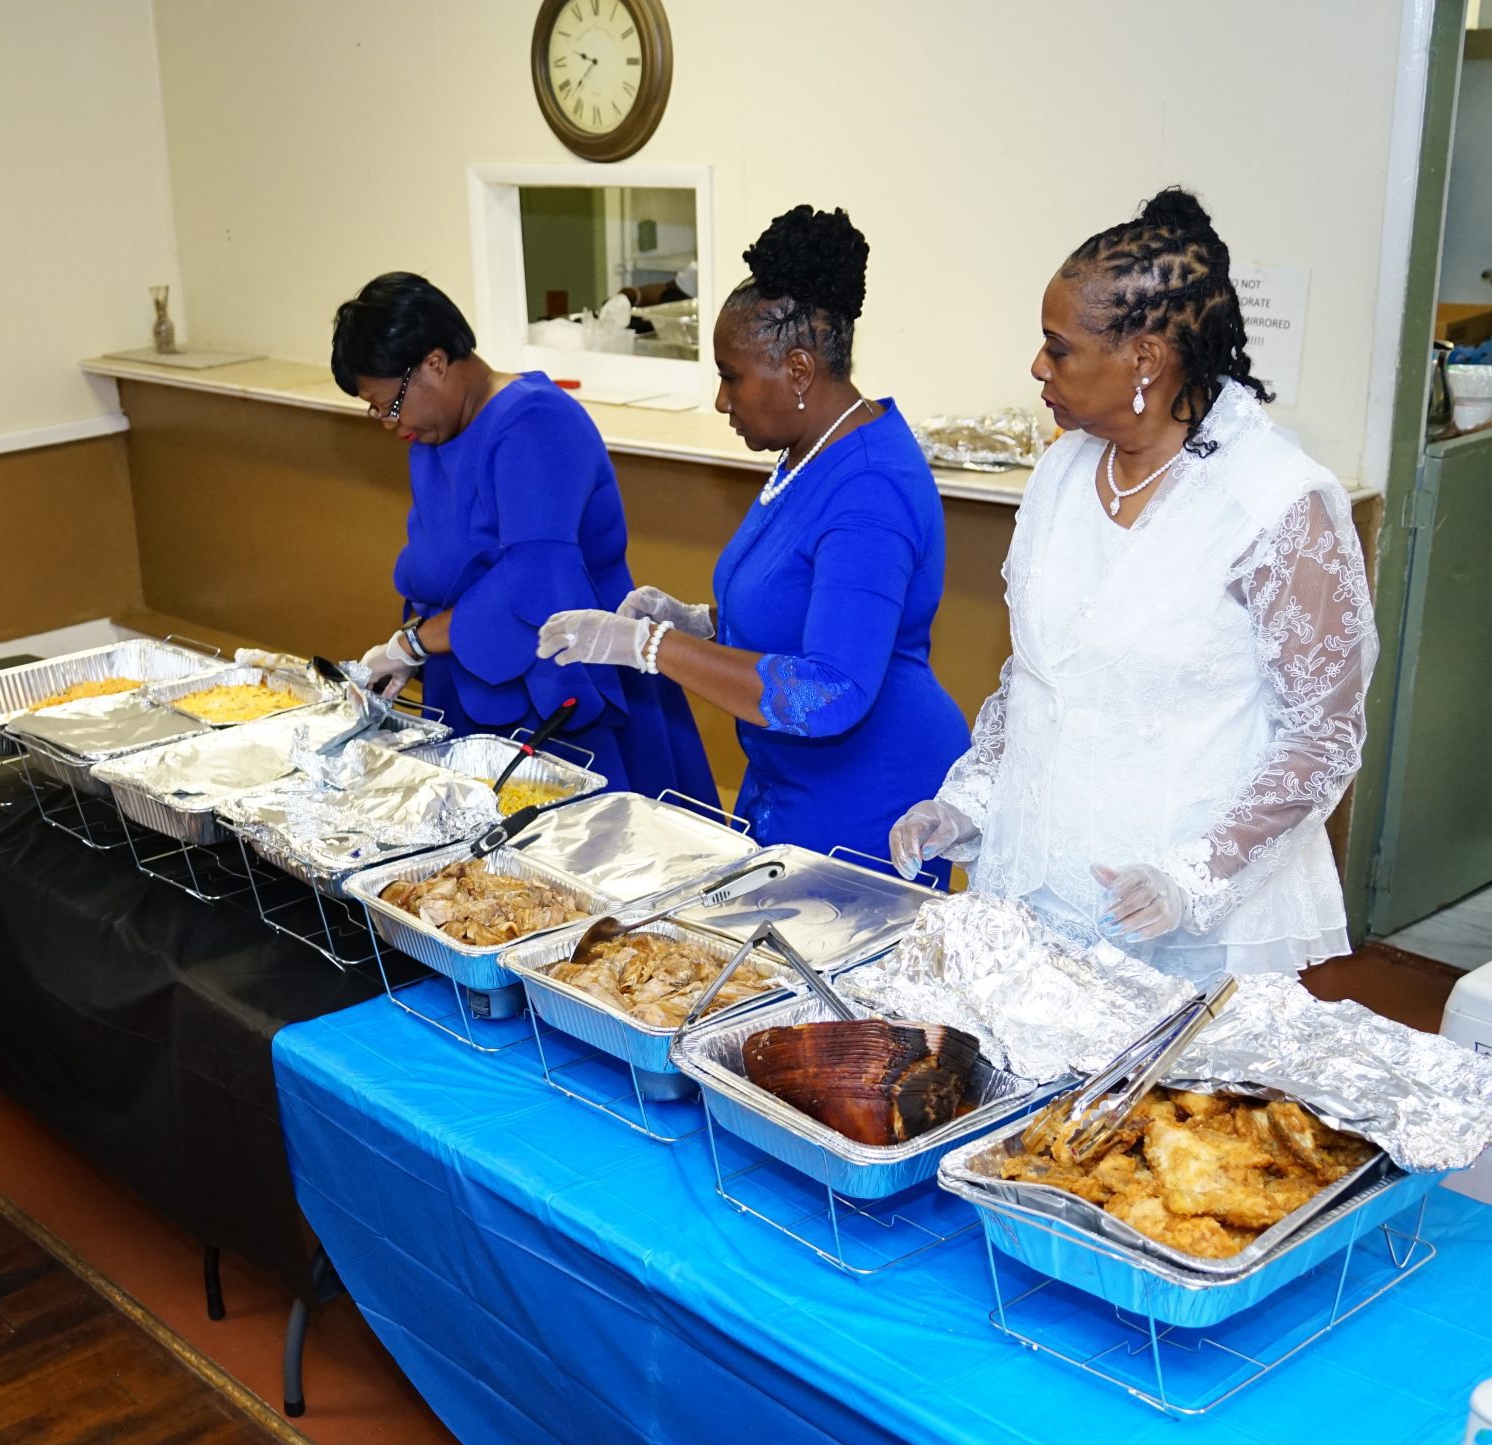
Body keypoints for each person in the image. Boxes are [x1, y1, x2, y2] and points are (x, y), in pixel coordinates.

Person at [887, 190, 1377, 977]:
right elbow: (1037, 677)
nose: (1038, 366)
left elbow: (1322, 738)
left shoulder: (1277, 503)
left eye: (1059, 349)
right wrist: (968, 802)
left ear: (1144, 359)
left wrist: (1192, 877)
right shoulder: (1060, 471)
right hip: (1034, 889)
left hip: (1184, 924)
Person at [538, 206, 968, 861]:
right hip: (789, 780)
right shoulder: (808, 452)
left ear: (798, 370)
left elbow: (829, 690)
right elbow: (806, 603)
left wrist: (652, 647)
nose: (721, 400)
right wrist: (702, 624)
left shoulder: (870, 487)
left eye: (730, 376)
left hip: (867, 798)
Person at [332, 273, 714, 799]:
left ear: (434, 363)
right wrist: (412, 643)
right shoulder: (434, 433)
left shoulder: (535, 422)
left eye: (389, 404)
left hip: (559, 682)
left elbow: (529, 582)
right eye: (374, 409)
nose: (387, 422)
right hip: (472, 674)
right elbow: (445, 565)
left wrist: (414, 643)